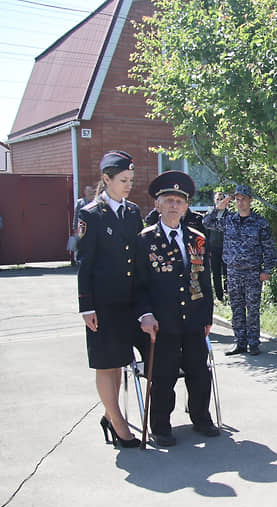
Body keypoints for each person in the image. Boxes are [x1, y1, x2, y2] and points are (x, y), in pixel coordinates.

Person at [135, 171, 218, 447]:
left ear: (186, 207)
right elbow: (138, 284)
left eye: (179, 202)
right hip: (163, 320)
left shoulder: (197, 238)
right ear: (158, 205)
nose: (173, 206)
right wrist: (145, 314)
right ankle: (161, 426)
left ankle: (201, 418)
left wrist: (207, 315)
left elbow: (204, 279)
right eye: (168, 200)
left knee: (199, 371)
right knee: (163, 375)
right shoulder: (145, 240)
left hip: (194, 319)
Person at [76, 151, 145, 448]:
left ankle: (110, 415)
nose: (128, 185)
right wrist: (86, 306)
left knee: (120, 360)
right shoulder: (91, 214)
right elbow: (85, 263)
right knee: (107, 363)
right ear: (106, 179)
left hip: (129, 302)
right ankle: (118, 423)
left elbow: (139, 258)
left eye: (131, 180)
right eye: (123, 180)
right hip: (103, 304)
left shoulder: (132, 212)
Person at [203, 184, 277, 356]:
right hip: (233, 271)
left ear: (250, 200)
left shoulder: (260, 222)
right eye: (237, 199)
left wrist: (267, 270)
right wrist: (218, 208)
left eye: (244, 198)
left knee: (252, 309)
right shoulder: (229, 220)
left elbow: (269, 249)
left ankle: (253, 343)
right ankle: (240, 343)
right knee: (236, 308)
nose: (240, 202)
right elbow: (206, 222)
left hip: (252, 272)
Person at [207, 191, 227, 301]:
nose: (220, 201)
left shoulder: (229, 214)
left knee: (226, 271)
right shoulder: (211, 214)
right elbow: (206, 231)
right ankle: (219, 296)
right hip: (213, 247)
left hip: (226, 247)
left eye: (222, 199)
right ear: (215, 201)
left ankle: (227, 294)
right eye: (218, 199)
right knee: (215, 272)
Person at [69, 185, 95, 264]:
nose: (90, 193)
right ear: (85, 192)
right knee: (80, 243)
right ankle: (79, 259)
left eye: (91, 191)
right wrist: (75, 228)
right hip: (82, 226)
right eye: (88, 191)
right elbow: (76, 215)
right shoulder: (80, 202)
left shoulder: (95, 202)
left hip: (93, 227)